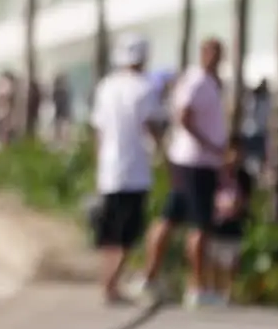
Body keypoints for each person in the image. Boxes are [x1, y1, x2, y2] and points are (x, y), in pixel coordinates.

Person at [138, 37, 228, 307]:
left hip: (192, 161)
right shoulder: (197, 81)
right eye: (213, 53)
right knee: (200, 225)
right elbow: (184, 117)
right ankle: (198, 287)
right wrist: (212, 146)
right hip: (197, 162)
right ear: (204, 54)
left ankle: (150, 276)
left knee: (171, 217)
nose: (216, 58)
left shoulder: (207, 81)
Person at [88, 37, 165, 305]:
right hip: (135, 170)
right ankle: (111, 285)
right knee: (126, 232)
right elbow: (151, 126)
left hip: (109, 169)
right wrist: (162, 152)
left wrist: (98, 162)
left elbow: (98, 130)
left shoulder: (106, 87)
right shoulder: (144, 88)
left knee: (109, 232)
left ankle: (107, 282)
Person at [208, 135, 254, 303]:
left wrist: (238, 207)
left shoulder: (244, 177)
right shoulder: (215, 175)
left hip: (234, 223)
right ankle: (212, 290)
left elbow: (247, 199)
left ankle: (229, 292)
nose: (235, 156)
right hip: (215, 223)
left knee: (232, 259)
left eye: (239, 152)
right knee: (213, 259)